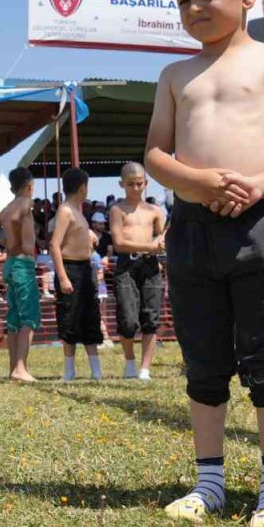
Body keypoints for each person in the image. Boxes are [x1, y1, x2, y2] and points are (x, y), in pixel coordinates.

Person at [144, 0, 264, 527]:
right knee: (203, 358)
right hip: (192, 228)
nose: (193, 7)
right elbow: (155, 154)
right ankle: (209, 482)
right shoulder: (175, 74)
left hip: (259, 224)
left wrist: (261, 184)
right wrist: (196, 180)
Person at [109, 162, 166, 381]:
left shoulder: (155, 211)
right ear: (121, 184)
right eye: (131, 184)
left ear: (146, 183)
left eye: (139, 184)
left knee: (151, 317)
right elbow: (119, 243)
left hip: (150, 265)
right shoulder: (117, 210)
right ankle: (130, 362)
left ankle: (145, 369)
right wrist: (149, 246)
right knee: (128, 318)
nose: (135, 188)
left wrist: (161, 243)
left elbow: (162, 237)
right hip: (127, 264)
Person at [50, 168, 103, 381]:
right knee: (69, 319)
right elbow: (54, 245)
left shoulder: (77, 211)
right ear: (83, 187)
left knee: (91, 318)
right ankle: (69, 371)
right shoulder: (65, 210)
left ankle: (96, 371)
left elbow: (75, 233)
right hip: (70, 268)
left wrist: (88, 234)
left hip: (85, 268)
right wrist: (63, 277)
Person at [0, 167, 40, 383]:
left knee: (14, 319)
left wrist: (9, 244)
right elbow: (16, 219)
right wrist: (17, 244)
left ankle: (13, 368)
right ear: (30, 186)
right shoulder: (25, 202)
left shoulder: (6, 208)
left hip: (10, 265)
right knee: (29, 318)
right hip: (22, 264)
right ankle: (21, 368)